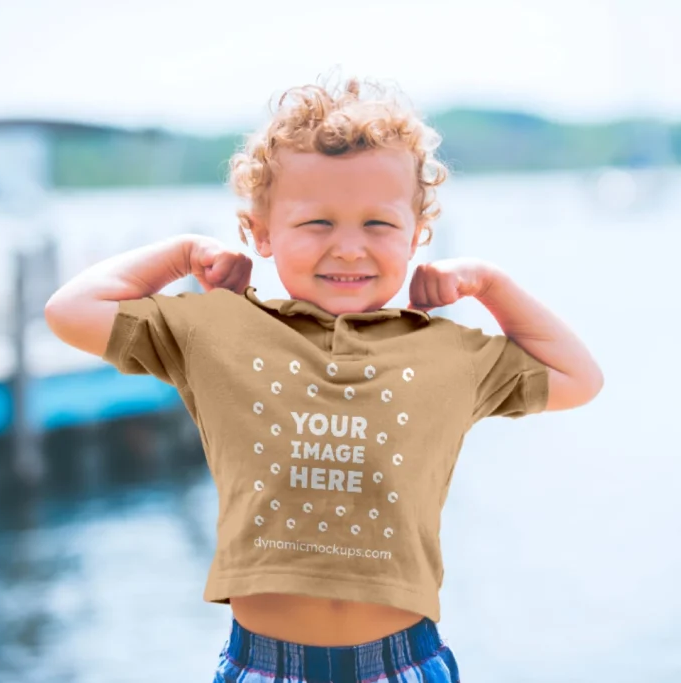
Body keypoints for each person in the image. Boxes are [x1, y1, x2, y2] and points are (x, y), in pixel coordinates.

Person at [45, 74, 603, 683]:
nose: (347, 248)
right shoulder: (217, 331)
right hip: (263, 665)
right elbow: (69, 312)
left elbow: (578, 377)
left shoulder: (448, 351)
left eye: (378, 225)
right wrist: (180, 255)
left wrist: (490, 285)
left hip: (403, 662)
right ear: (260, 232)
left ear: (417, 234)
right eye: (316, 223)